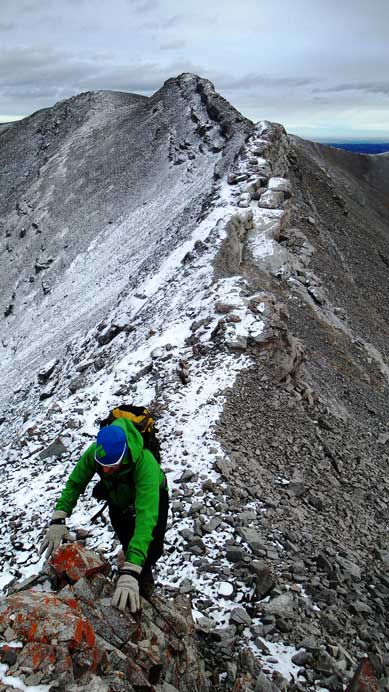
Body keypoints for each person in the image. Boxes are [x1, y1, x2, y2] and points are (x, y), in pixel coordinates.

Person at [40, 416, 169, 613]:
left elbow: (146, 519)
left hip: (154, 497)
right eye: (103, 465)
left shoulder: (146, 466)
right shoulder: (96, 453)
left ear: (125, 455)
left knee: (153, 548)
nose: (106, 470)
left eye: (111, 465)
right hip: (119, 498)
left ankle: (141, 580)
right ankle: (130, 569)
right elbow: (75, 483)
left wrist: (133, 568)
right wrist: (59, 516)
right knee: (127, 539)